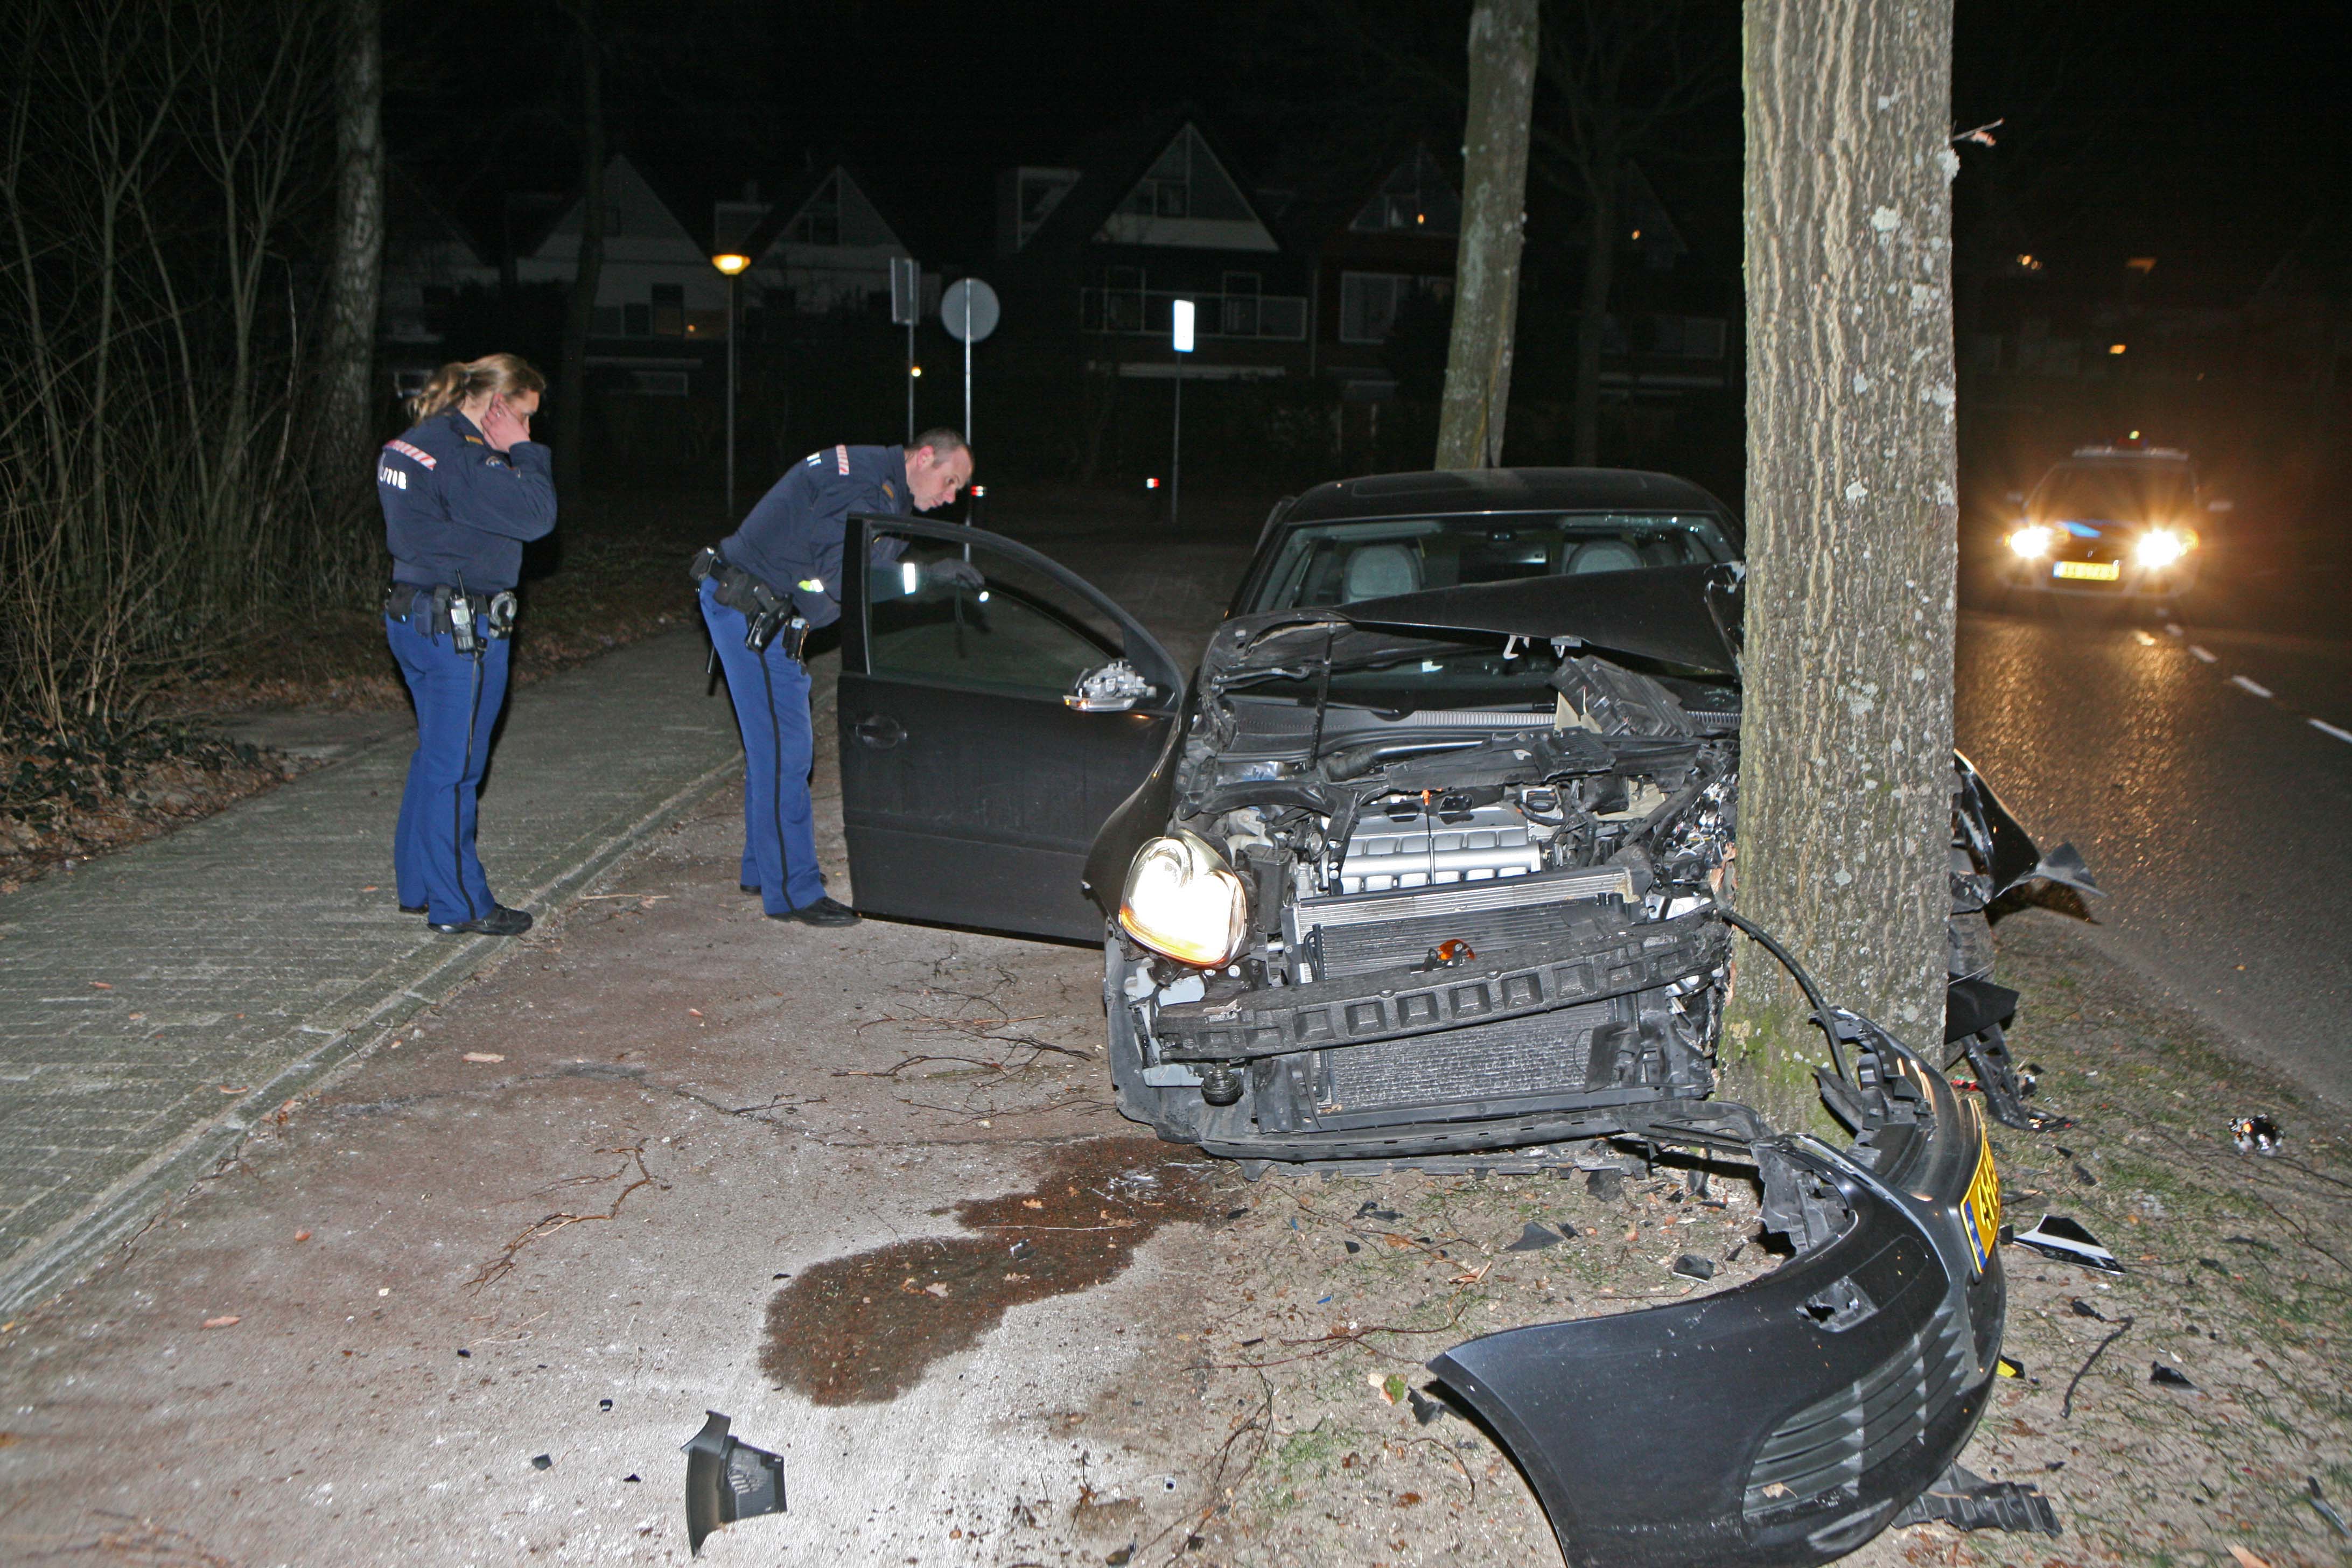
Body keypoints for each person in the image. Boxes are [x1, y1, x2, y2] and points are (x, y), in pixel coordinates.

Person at [695, 430, 976, 925]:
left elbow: (854, 581)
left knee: (774, 747)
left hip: (768, 614)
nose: (951, 497)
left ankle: (764, 867)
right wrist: (929, 580)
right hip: (748, 609)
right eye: (950, 481)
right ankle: (794, 893)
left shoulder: (889, 492)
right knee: (787, 749)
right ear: (925, 456)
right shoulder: (862, 484)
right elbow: (845, 576)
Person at [376, 353, 558, 936]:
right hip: (458, 631)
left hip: (414, 618)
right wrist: (523, 452)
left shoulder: (415, 440)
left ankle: (419, 884)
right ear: (498, 407)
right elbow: (537, 515)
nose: (530, 431)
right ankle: (462, 904)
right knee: (457, 767)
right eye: (525, 418)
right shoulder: (465, 457)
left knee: (434, 754)